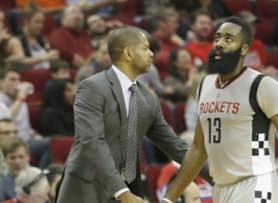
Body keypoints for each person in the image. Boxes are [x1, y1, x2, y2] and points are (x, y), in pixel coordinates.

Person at [160, 16, 278, 203]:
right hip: (222, 188)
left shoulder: (262, 86)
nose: (219, 43)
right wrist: (170, 196)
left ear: (244, 50)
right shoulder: (205, 85)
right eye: (217, 37)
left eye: (228, 39)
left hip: (257, 183)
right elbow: (199, 149)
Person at [55, 27, 210, 203]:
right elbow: (91, 142)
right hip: (88, 190)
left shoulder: (149, 98)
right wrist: (121, 191)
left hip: (129, 189)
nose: (152, 54)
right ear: (128, 53)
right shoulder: (92, 87)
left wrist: (217, 176)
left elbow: (174, 145)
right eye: (145, 48)